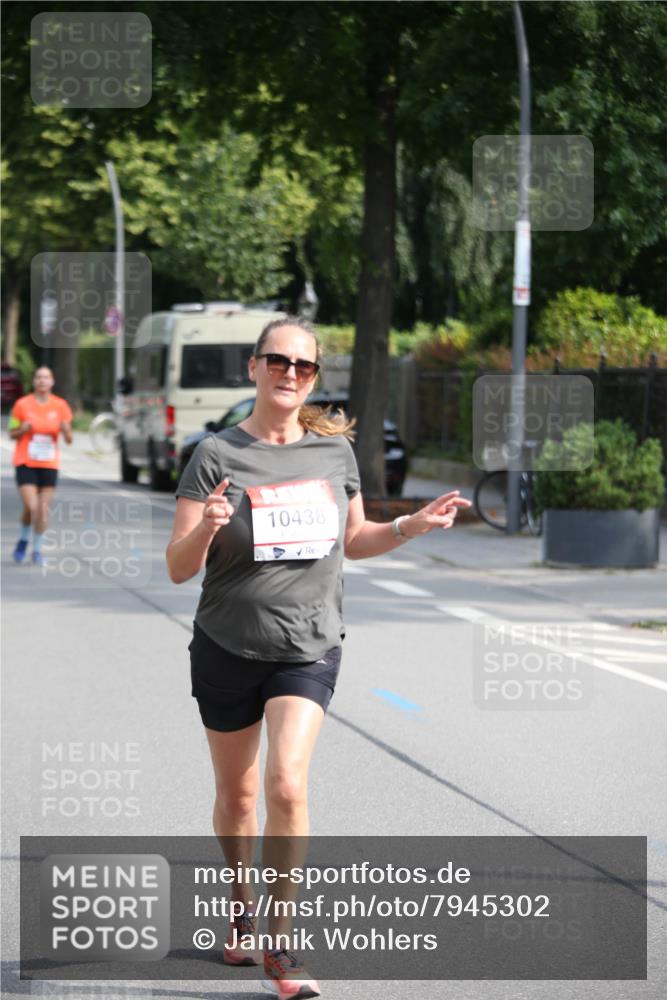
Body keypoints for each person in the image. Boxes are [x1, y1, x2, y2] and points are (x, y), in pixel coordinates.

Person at [166, 316, 471, 1000]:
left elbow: (353, 539)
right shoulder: (215, 455)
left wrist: (408, 526)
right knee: (237, 795)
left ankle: (281, 940)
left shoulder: (334, 456)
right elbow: (178, 568)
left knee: (286, 785)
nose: (290, 374)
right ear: (253, 368)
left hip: (308, 644)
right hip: (225, 643)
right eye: (277, 362)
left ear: (313, 377)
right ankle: (241, 910)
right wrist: (208, 529)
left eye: (303, 367)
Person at [9, 366, 73, 567]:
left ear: (52, 382)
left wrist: (65, 431)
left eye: (46, 377)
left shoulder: (61, 406)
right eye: (38, 377)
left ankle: (36, 550)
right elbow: (11, 433)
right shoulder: (21, 404)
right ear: (34, 381)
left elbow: (69, 439)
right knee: (32, 507)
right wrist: (22, 429)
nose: (42, 381)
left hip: (49, 464)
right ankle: (24, 540)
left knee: (42, 511)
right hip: (26, 462)